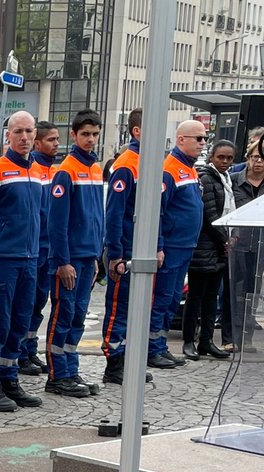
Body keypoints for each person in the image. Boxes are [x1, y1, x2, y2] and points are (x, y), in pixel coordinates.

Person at [0, 110, 47, 412]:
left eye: (30, 131)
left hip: (29, 259)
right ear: (8, 135)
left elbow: (41, 217)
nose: (25, 137)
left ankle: (10, 379)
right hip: (0, 260)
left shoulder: (38, 170)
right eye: (19, 132)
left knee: (19, 322)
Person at [43, 109, 106, 398]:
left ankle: (71, 369)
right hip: (69, 259)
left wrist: (95, 257)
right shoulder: (65, 171)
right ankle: (57, 375)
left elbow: (97, 216)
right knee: (64, 313)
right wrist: (62, 261)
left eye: (94, 134)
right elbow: (56, 222)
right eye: (85, 134)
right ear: (74, 135)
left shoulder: (95, 168)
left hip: (87, 256)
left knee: (78, 315)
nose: (91, 139)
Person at [141, 120, 205, 370]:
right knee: (162, 298)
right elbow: (157, 211)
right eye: (197, 138)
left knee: (171, 299)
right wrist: (158, 245)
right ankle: (152, 348)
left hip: (185, 246)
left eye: (203, 138)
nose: (202, 143)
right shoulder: (169, 169)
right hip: (171, 247)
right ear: (181, 140)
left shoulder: (190, 169)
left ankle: (161, 345)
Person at [101, 107, 151, 385]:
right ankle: (114, 362)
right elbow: (115, 213)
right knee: (119, 308)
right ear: (137, 131)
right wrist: (116, 252)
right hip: (127, 250)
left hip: (142, 247)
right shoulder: (126, 164)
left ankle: (129, 359)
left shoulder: (148, 161)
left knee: (136, 310)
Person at [184, 139, 236, 360]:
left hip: (219, 248)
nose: (224, 161)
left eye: (229, 158)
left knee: (211, 296)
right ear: (212, 157)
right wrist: (224, 240)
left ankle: (206, 340)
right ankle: (189, 341)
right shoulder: (207, 177)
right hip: (205, 246)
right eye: (220, 157)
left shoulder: (225, 179)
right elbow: (209, 214)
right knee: (196, 296)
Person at [18, 121, 58, 377]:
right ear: (37, 142)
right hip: (32, 248)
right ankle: (19, 352)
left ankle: (29, 349)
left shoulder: (55, 171)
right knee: (25, 304)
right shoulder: (31, 169)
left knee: (38, 304)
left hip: (48, 249)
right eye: (51, 139)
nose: (56, 144)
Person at [229, 143, 264, 351]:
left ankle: (247, 338)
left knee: (253, 293)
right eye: (254, 157)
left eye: (262, 158)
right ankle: (232, 337)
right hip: (238, 245)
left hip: (260, 247)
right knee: (235, 292)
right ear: (247, 158)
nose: (258, 161)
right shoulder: (234, 181)